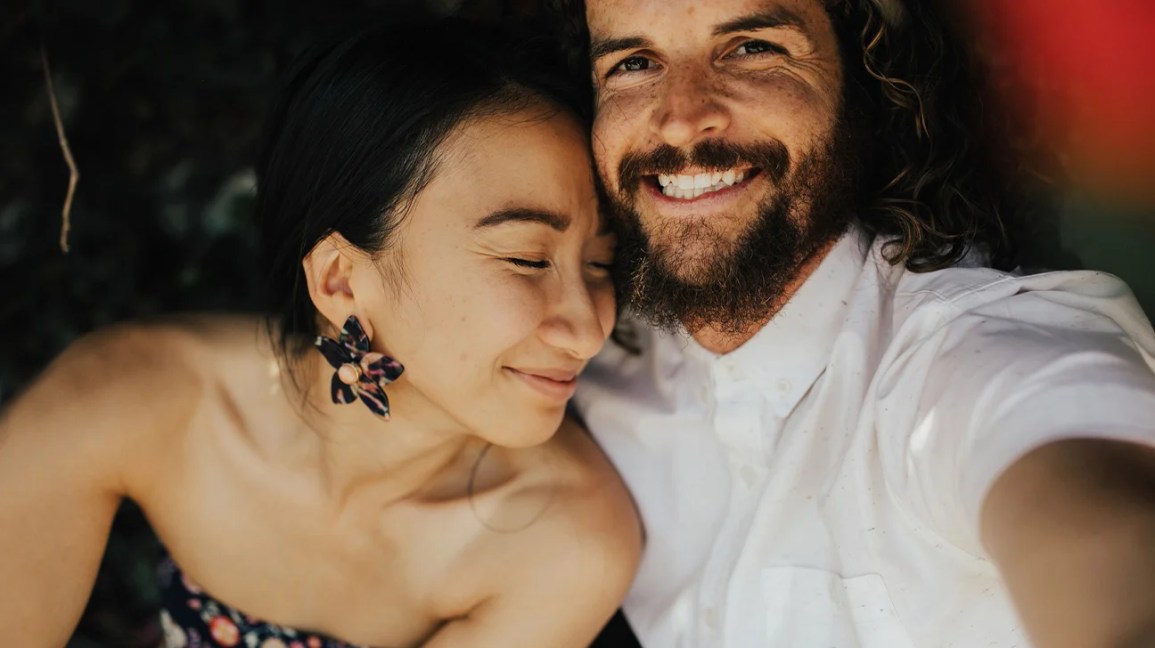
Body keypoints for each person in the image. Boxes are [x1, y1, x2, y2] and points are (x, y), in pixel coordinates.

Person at [0, 14, 640, 648]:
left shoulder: (563, 543)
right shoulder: (141, 399)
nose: (589, 331)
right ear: (340, 280)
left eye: (599, 264)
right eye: (526, 259)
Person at [546, 0, 1155, 646]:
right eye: (634, 63)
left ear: (863, 77)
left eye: (753, 48)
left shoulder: (967, 360)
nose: (681, 118)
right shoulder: (574, 368)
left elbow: (1099, 530)